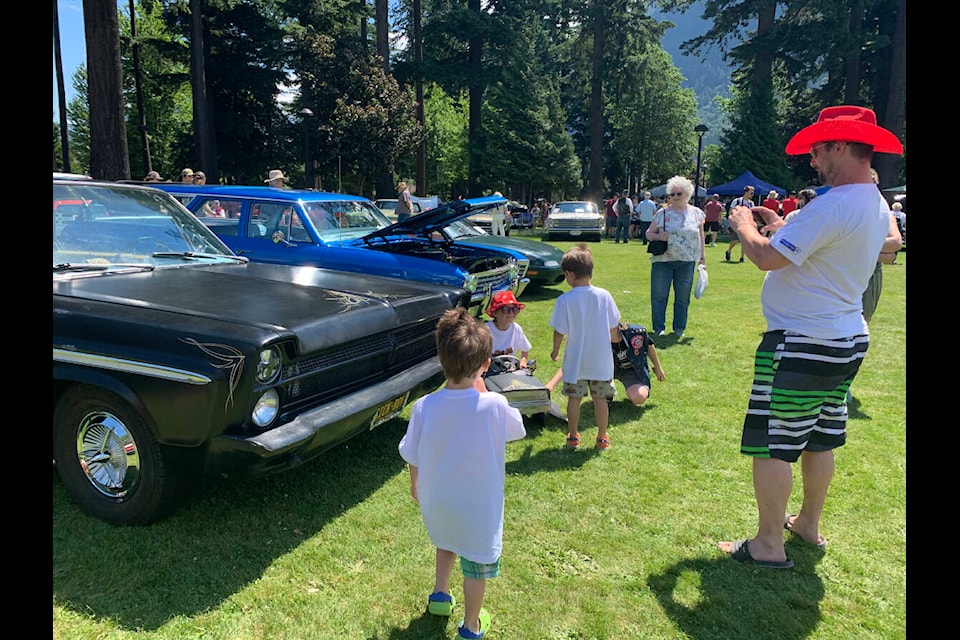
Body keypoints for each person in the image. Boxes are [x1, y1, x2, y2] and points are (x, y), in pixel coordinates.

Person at [716, 105, 903, 569]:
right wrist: (782, 228)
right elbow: (828, 250)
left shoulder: (835, 203)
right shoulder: (873, 202)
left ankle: (767, 545)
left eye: (818, 150)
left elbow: (766, 260)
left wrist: (742, 225)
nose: (813, 161)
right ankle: (808, 524)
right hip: (845, 337)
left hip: (802, 341)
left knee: (775, 442)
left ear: (840, 145)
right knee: (821, 438)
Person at [398, 307, 525, 639]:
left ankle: (440, 595)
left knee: (445, 539)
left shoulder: (424, 406)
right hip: (477, 507)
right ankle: (471, 625)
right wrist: (485, 392)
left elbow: (411, 453)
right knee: (476, 564)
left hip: (438, 501)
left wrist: (416, 484)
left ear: (442, 360)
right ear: (485, 364)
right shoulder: (494, 405)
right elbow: (518, 429)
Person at [550, 244, 621, 450]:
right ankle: (602, 437)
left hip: (576, 361)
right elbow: (613, 325)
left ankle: (572, 436)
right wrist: (614, 340)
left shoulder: (565, 300)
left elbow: (559, 331)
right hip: (600, 360)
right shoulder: (604, 295)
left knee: (575, 398)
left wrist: (555, 350)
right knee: (600, 399)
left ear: (569, 274)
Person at [645, 175, 706, 338]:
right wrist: (659, 237)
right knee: (659, 296)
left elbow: (701, 237)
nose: (674, 197)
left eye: (678, 193)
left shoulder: (697, 214)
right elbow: (648, 234)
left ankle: (679, 328)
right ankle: (659, 328)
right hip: (662, 261)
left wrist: (702, 259)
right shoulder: (662, 213)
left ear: (687, 194)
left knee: (683, 297)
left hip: (686, 262)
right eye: (671, 194)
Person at [861, 168, 904, 324]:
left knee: (863, 320)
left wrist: (850, 248)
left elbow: (892, 249)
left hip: (870, 271)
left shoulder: (883, 210)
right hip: (846, 271)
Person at [485, 291, 532, 369]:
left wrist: (523, 361)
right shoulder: (486, 330)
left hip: (509, 370)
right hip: (488, 371)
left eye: (515, 309)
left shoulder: (516, 329)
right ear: (495, 313)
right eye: (506, 309)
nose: (511, 313)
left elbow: (525, 349)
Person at [724, 185, 755, 262]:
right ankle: (728, 250)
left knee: (745, 241)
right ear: (746, 192)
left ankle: (742, 257)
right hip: (737, 223)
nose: (752, 194)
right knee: (736, 240)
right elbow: (731, 211)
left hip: (746, 224)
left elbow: (752, 213)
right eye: (751, 193)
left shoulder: (751, 203)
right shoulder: (737, 201)